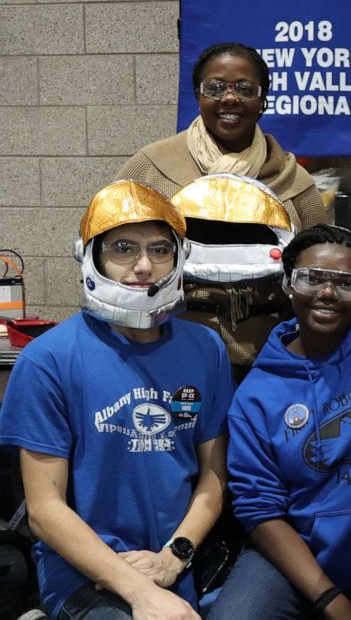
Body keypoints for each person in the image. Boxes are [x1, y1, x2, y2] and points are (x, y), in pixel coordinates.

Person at [0, 181, 234, 619]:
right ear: (92, 256)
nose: (144, 266)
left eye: (161, 249)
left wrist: (173, 557)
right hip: (81, 570)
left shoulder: (206, 348)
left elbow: (215, 475)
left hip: (177, 560)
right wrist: (139, 592)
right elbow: (44, 510)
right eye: (124, 248)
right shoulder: (48, 359)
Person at [207, 224, 351, 620]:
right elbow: (259, 509)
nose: (327, 293)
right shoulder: (256, 395)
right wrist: (331, 602)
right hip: (292, 554)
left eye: (347, 283)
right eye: (312, 278)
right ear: (288, 284)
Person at [116, 42, 326, 376]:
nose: (229, 98)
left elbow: (320, 269)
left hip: (267, 357)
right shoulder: (150, 169)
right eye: (215, 88)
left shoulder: (293, 181)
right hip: (168, 351)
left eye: (244, 88)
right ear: (198, 96)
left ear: (263, 101)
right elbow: (107, 254)